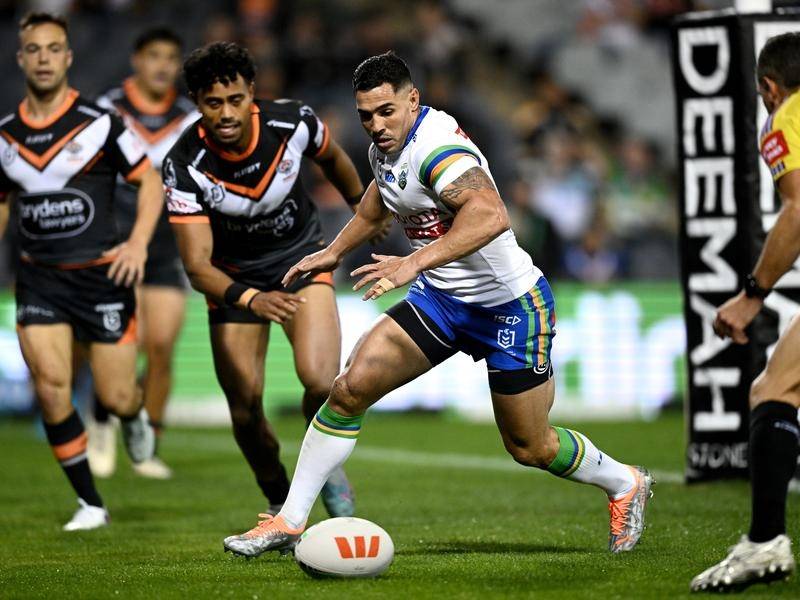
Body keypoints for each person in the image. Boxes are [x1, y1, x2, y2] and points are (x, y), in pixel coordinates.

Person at [222, 51, 654, 558]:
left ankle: (624, 481)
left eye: (386, 111)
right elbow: (380, 200)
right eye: (365, 115)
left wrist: (412, 264)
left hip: (510, 306)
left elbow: (491, 214)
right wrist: (334, 251)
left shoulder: (439, 149)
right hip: (443, 301)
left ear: (413, 100)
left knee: (530, 446)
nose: (376, 125)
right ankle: (289, 522)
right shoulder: (385, 148)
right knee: (348, 389)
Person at [163, 42, 367, 523]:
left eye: (235, 99)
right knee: (245, 410)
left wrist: (362, 204)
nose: (227, 113)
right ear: (197, 102)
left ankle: (327, 470)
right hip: (234, 283)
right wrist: (253, 299)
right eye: (214, 103)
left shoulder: (292, 122)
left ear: (251, 92)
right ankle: (278, 496)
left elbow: (333, 157)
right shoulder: (184, 164)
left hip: (300, 262)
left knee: (322, 381)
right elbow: (197, 267)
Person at [0, 12, 162, 530]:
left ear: (68, 57)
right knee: (51, 385)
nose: (43, 58)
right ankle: (91, 503)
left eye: (53, 48)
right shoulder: (4, 137)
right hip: (40, 279)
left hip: (102, 278)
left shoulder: (101, 123)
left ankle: (132, 414)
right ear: (20, 57)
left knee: (115, 396)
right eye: (34, 49)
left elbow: (151, 182)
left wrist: (137, 243)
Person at [691, 32, 800, 593]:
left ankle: (764, 544)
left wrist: (752, 293)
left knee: (774, 391)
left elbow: (798, 209)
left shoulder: (786, 117)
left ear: (768, 87)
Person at [87, 27, 198, 480]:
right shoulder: (105, 109)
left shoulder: (191, 117)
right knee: (118, 343)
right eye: (154, 56)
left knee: (161, 347)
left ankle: (147, 445)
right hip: (116, 239)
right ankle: (100, 423)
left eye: (171, 57)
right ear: (137, 59)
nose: (162, 66)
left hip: (168, 243)